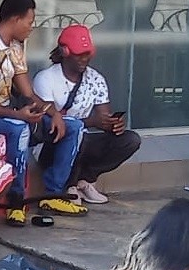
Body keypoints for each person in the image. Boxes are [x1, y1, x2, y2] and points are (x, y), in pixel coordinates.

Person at [0, 0, 87, 226]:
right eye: (30, 22)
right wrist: (18, 115)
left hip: (8, 116)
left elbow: (28, 93)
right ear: (15, 19)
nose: (31, 27)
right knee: (19, 127)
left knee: (74, 127)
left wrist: (53, 113)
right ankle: (15, 201)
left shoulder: (16, 50)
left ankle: (52, 194)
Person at [33, 25, 141, 204]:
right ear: (65, 52)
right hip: (50, 145)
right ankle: (69, 186)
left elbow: (103, 117)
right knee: (75, 133)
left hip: (83, 139)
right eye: (79, 54)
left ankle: (85, 181)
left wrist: (113, 124)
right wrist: (92, 121)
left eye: (87, 53)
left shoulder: (95, 78)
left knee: (130, 140)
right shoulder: (46, 78)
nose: (85, 58)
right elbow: (53, 124)